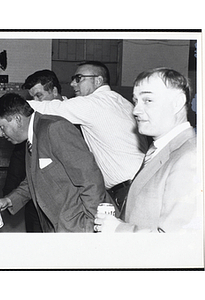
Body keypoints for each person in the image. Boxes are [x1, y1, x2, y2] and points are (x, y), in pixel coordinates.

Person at [28, 61, 148, 216]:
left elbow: (48, 108)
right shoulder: (122, 101)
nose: (72, 84)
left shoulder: (93, 103)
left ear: (97, 80)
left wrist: (8, 106)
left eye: (79, 78)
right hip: (140, 183)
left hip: (128, 190)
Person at [0, 93, 108, 232]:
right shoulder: (32, 137)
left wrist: (93, 225)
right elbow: (33, 181)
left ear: (17, 119)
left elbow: (90, 179)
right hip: (58, 225)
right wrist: (7, 201)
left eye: (1, 127)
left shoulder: (55, 128)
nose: (1, 134)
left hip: (80, 225)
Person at [94, 68, 201, 233]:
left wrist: (118, 230)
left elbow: (176, 243)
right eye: (136, 101)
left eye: (148, 100)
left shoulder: (190, 157)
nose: (135, 110)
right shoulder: (162, 149)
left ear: (177, 102)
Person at [3, 69, 67, 232]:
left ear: (54, 91)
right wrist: (8, 197)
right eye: (32, 98)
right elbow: (18, 161)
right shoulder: (31, 120)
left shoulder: (76, 115)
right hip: (35, 195)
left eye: (39, 96)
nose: (35, 102)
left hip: (65, 199)